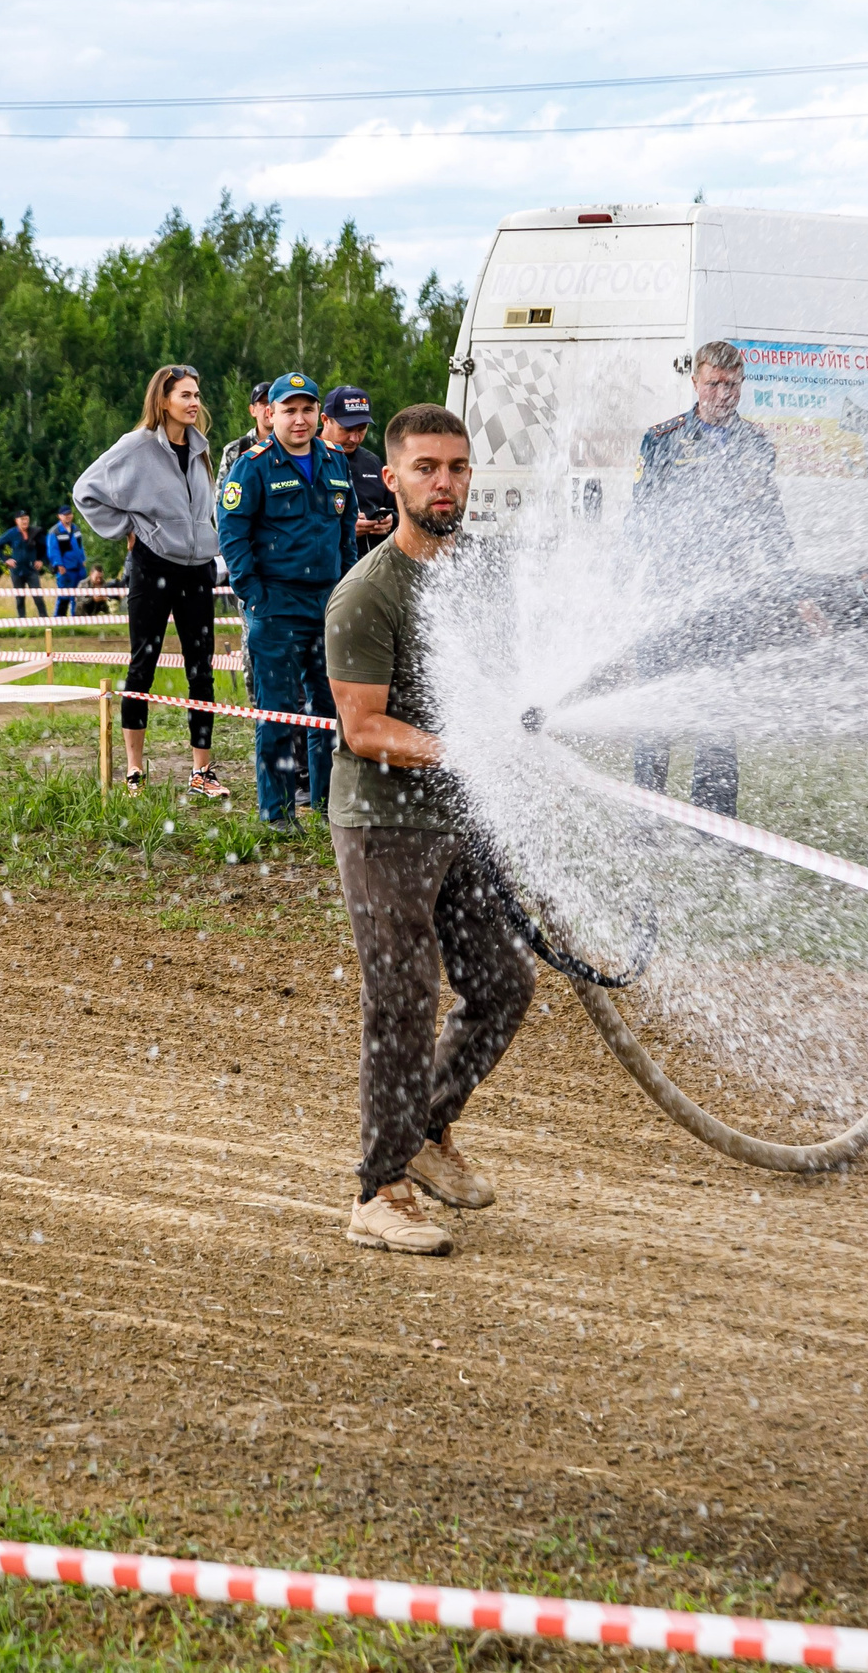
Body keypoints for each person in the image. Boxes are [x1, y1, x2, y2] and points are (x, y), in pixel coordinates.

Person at [325, 402, 531, 1255]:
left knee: (503, 985)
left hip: (460, 819)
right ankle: (379, 1188)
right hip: (383, 825)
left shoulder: (480, 573)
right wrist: (462, 748)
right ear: (393, 478)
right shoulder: (368, 592)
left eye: (456, 468)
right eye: (426, 468)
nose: (443, 483)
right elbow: (363, 729)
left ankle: (427, 1126)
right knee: (403, 1001)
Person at [623, 339, 793, 818]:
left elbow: (770, 522)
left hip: (726, 601)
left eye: (733, 384)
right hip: (666, 597)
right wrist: (619, 588)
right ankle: (647, 816)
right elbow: (638, 520)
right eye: (714, 383)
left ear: (743, 384)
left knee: (717, 713)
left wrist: (792, 588)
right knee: (655, 710)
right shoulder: (662, 439)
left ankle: (713, 823)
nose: (724, 393)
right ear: (695, 382)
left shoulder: (756, 444)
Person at [73, 364, 231, 800]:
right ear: (163, 401)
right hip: (152, 566)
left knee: (202, 669)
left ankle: (202, 772)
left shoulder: (200, 448)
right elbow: (85, 489)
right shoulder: (136, 446)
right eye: (185, 395)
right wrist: (130, 526)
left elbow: (204, 510)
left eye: (197, 394)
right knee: (143, 664)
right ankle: (135, 771)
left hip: (197, 567)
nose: (195, 402)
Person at [217, 372, 352, 829]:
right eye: (289, 410)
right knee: (278, 712)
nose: (299, 419)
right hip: (276, 606)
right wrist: (254, 594)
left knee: (329, 709)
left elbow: (345, 531)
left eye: (307, 409)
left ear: (319, 414)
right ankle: (277, 813)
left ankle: (328, 803)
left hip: (327, 604)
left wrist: (346, 586)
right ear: (270, 414)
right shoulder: (253, 465)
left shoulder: (334, 459)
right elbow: (232, 534)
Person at [322, 385, 396, 561]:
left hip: (372, 570)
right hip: (322, 574)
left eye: (361, 429)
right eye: (347, 430)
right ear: (325, 420)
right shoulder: (304, 459)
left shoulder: (372, 462)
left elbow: (398, 508)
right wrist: (343, 529)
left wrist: (391, 521)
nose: (354, 438)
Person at [0, 511, 50, 618]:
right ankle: (22, 623)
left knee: (38, 597)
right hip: (17, 571)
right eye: (22, 519)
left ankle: (45, 621)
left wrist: (41, 560)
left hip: (31, 570)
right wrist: (6, 559)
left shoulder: (35, 532)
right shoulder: (12, 533)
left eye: (26, 519)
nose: (25, 522)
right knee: (20, 598)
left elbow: (48, 545)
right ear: (17, 521)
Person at [217, 380, 274, 480]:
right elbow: (221, 493)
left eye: (272, 403)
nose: (269, 408)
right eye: (264, 403)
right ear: (252, 410)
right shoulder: (236, 450)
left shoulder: (291, 446)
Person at [46, 507, 87, 615]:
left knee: (78, 596)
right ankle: (59, 621)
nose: (68, 516)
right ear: (59, 516)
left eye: (69, 514)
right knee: (64, 596)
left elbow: (80, 546)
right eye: (65, 514)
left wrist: (83, 559)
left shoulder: (76, 529)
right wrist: (59, 565)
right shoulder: (55, 531)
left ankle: (76, 619)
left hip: (78, 568)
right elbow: (53, 551)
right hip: (65, 569)